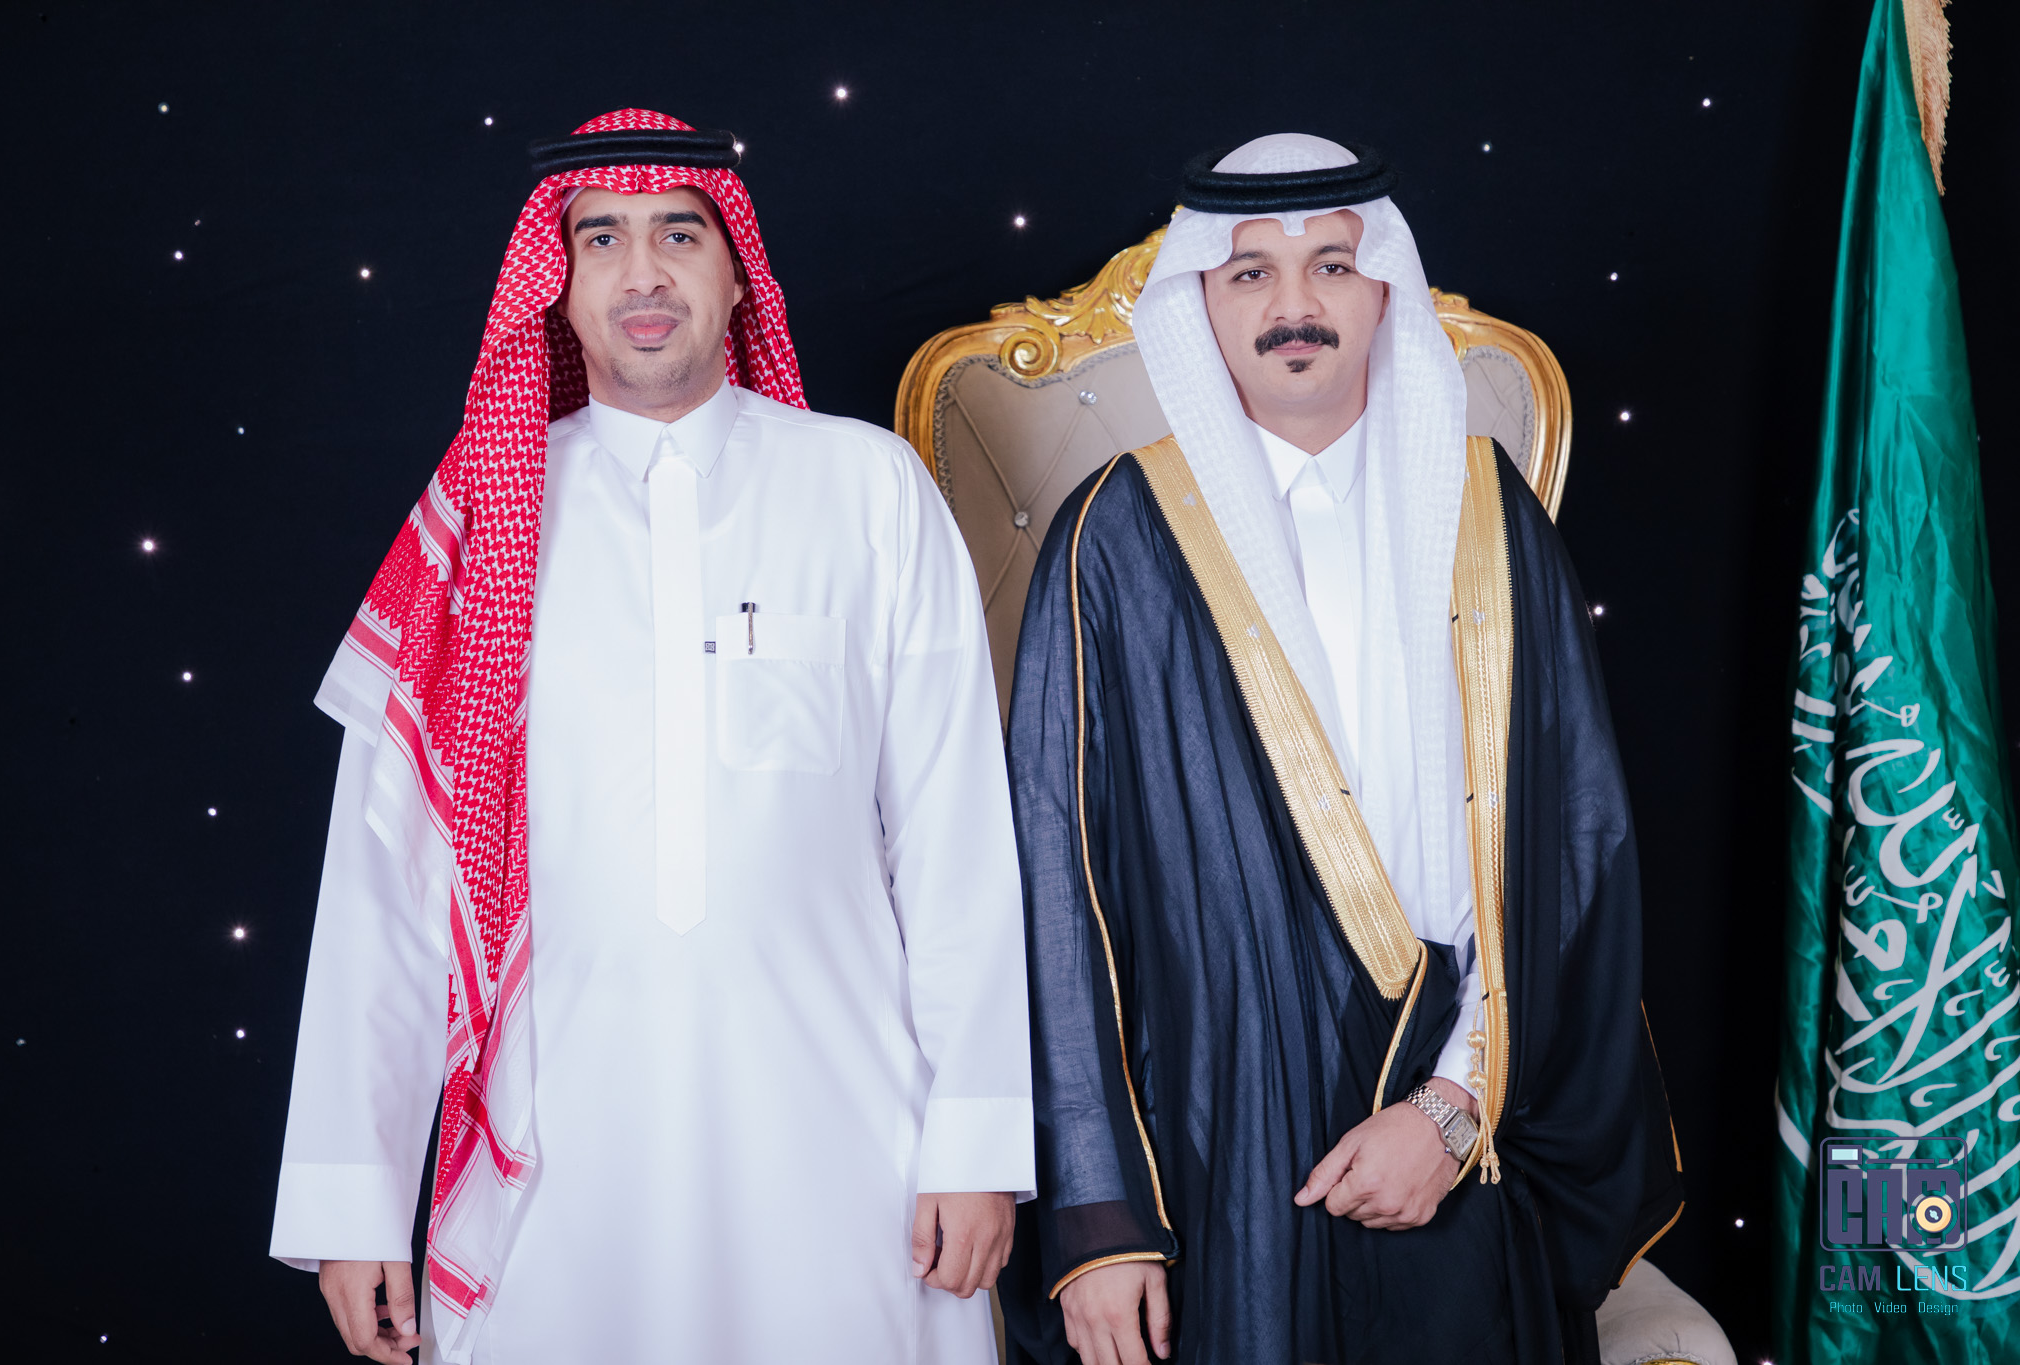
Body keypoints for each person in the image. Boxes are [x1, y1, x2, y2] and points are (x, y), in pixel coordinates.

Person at [269, 109, 1032, 1365]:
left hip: (848, 1144)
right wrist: (354, 1205)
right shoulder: (476, 526)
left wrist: (976, 1139)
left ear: (736, 277)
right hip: (556, 1150)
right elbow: (386, 884)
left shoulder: (865, 487)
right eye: (600, 239)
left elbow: (955, 839)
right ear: (554, 285)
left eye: (679, 235)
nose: (642, 275)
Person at [997, 134, 1683, 1365]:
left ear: (1384, 292)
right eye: (1249, 272)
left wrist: (1453, 1107)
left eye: (1330, 264)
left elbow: (1575, 848)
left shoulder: (1486, 514)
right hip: (1209, 1143)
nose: (1293, 304)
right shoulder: (1115, 536)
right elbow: (1056, 888)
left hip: (1462, 1130)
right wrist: (1101, 1222)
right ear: (1199, 303)